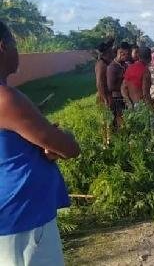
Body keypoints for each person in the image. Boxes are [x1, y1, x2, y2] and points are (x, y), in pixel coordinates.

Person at [0, 20, 81, 265]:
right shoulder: (6, 99)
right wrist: (57, 142)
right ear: (2, 46)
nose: (19, 52)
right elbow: (69, 148)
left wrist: (36, 144)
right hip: (23, 219)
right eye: (15, 44)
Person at [107, 42, 129, 127]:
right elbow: (110, 86)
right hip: (117, 100)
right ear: (120, 53)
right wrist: (124, 86)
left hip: (125, 98)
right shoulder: (112, 67)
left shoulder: (124, 65)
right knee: (119, 124)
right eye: (126, 54)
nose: (127, 56)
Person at [95, 39, 114, 107]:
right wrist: (105, 99)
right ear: (108, 51)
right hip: (106, 98)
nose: (113, 52)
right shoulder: (101, 65)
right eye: (111, 50)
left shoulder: (107, 62)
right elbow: (99, 83)